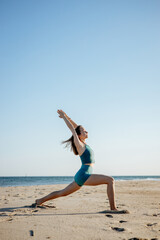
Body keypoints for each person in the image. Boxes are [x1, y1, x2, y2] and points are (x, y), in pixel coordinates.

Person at [35, 109, 118, 211]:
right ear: (79, 135)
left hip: (81, 175)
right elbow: (73, 129)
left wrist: (67, 116)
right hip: (84, 175)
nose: (86, 131)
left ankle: (39, 201)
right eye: (84, 131)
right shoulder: (80, 145)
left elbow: (76, 127)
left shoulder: (83, 143)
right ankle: (113, 208)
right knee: (110, 180)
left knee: (62, 193)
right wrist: (64, 117)